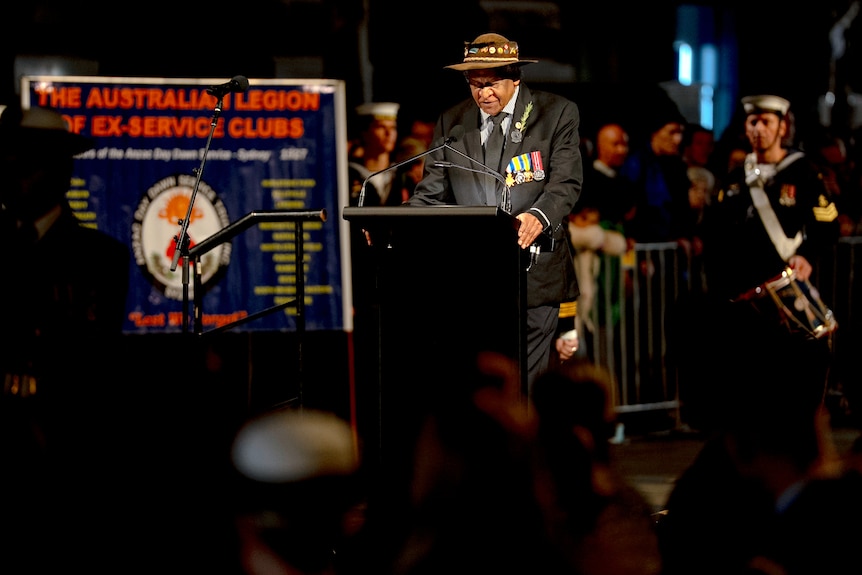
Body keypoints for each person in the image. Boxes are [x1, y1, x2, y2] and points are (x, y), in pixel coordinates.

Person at [405, 32, 582, 394]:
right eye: (475, 84)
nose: (483, 93)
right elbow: (431, 192)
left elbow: (566, 184)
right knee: (481, 385)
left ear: (514, 76)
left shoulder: (555, 114)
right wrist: (396, 223)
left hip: (534, 274)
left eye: (491, 83)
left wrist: (538, 215)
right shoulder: (452, 122)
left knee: (525, 384)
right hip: (474, 280)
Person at [0, 104, 131, 571]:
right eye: (7, 163)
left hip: (64, 450)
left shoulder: (99, 258)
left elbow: (93, 358)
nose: (12, 176)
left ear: (60, 172)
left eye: (26, 165)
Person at [691, 94, 842, 432]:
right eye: (752, 122)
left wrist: (806, 256)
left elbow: (826, 225)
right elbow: (715, 231)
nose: (758, 129)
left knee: (803, 363)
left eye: (766, 122)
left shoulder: (804, 172)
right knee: (751, 379)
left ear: (782, 127)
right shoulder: (734, 176)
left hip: (782, 289)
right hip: (741, 297)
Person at [567, 122, 636, 354]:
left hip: (613, 269)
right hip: (586, 270)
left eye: (624, 144)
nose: (622, 150)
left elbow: (625, 229)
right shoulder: (585, 179)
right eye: (615, 144)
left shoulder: (624, 182)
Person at [348, 102, 401, 207]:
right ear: (364, 132)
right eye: (381, 127)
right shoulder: (348, 175)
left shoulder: (402, 175)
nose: (389, 133)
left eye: (393, 128)